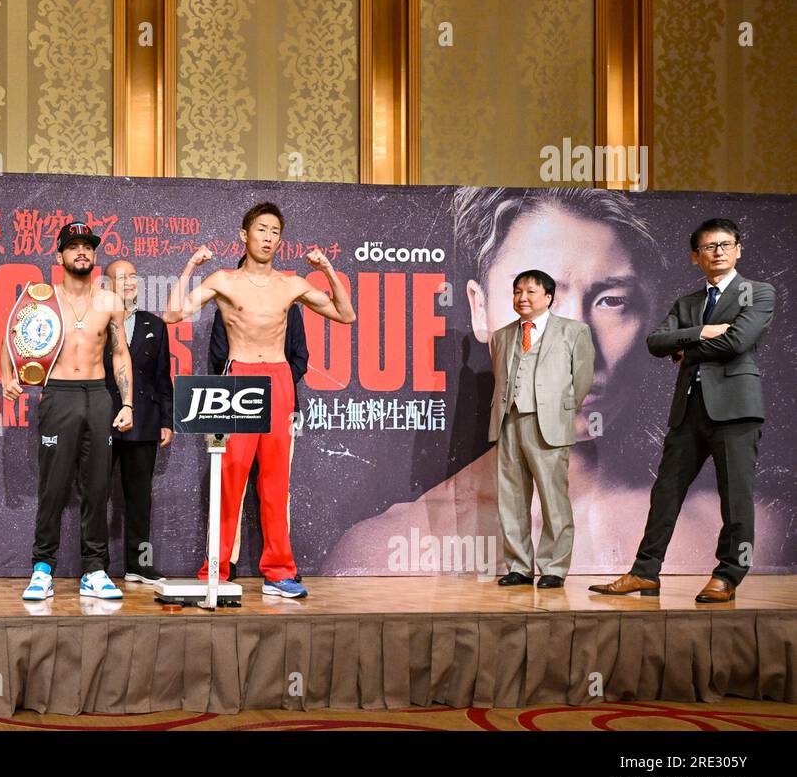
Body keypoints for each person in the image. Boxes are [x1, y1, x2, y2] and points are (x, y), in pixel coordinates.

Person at [323, 188, 784, 576]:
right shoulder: (385, 553)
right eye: (536, 298)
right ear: (479, 310)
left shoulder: (745, 535)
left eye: (612, 301)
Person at [164, 202, 356, 598]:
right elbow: (172, 314)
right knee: (229, 477)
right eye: (261, 230)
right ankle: (214, 571)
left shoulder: (291, 284)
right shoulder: (224, 280)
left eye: (274, 232)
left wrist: (327, 272)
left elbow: (346, 314)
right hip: (238, 379)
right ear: (244, 235)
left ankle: (279, 572)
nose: (268, 238)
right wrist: (190, 268)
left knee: (275, 481)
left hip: (280, 380)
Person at [589, 219, 773, 603]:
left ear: (738, 249)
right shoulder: (688, 303)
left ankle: (728, 574)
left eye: (725, 244)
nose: (718, 251)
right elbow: (656, 342)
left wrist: (686, 349)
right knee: (666, 494)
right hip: (689, 410)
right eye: (709, 246)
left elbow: (739, 341)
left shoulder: (758, 293)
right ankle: (644, 573)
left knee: (735, 497)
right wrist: (704, 332)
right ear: (695, 257)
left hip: (736, 413)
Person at [0, 221, 134, 601]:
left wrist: (127, 402)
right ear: (59, 256)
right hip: (57, 394)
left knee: (97, 487)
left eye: (88, 247)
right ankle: (42, 569)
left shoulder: (109, 301)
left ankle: (95, 570)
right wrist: (7, 378)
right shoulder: (41, 298)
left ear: (94, 256)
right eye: (73, 246)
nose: (82, 252)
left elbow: (120, 353)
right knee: (54, 486)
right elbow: (11, 337)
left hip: (98, 394)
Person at [490, 269, 594, 589]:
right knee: (512, 499)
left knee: (553, 498)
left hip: (547, 423)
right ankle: (519, 566)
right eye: (518, 291)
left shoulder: (573, 331)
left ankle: (554, 566)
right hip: (508, 421)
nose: (522, 297)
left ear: (548, 297)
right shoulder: (503, 335)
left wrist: (560, 411)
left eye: (531, 292)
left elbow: (583, 378)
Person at [209, 271, 309, 580]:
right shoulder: (227, 303)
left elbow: (299, 357)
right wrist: (247, 384)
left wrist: (273, 387)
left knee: (277, 489)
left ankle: (280, 568)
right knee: (228, 483)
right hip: (236, 396)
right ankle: (222, 566)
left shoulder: (290, 304)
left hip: (279, 400)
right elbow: (218, 354)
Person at [102, 259, 173, 583]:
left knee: (140, 498)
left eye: (133, 276)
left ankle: (139, 565)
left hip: (144, 421)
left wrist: (166, 421)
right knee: (95, 496)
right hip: (101, 418)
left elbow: (162, 378)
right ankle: (95, 565)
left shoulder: (154, 325)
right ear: (106, 284)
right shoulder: (96, 320)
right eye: (121, 277)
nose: (129, 282)